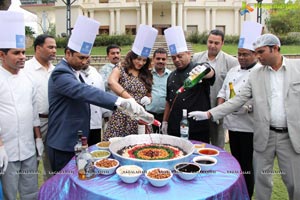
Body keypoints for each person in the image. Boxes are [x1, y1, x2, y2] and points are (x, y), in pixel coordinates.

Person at [188, 33, 300, 200]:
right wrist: (209, 114)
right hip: (264, 135)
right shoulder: (256, 74)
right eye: (256, 52)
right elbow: (237, 100)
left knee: (294, 183)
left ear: (275, 48)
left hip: (290, 137)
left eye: (261, 52)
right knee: (262, 181)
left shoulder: (297, 68)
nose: (258, 56)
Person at [46, 16, 145, 172]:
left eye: (87, 57)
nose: (85, 61)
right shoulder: (61, 73)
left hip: (76, 141)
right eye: (81, 57)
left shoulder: (75, 72)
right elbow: (85, 92)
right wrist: (120, 101)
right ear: (67, 53)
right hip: (63, 143)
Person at [216, 21, 263, 198]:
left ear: (255, 54)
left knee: (247, 165)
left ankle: (247, 194)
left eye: (245, 55)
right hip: (232, 124)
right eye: (239, 54)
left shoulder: (260, 72)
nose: (241, 58)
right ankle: (238, 192)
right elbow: (223, 91)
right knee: (236, 162)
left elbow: (262, 99)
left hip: (250, 127)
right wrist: (220, 107)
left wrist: (248, 107)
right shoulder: (233, 70)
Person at [0, 11, 43, 200]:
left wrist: (38, 139)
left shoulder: (28, 79)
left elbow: (33, 113)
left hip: (27, 149)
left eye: (24, 52)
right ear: (2, 55)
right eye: (16, 53)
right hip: (5, 151)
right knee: (9, 195)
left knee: (30, 192)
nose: (22, 56)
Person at [103, 24, 158, 140]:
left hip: (140, 116)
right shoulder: (121, 68)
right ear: (131, 57)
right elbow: (111, 82)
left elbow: (149, 94)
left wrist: (149, 99)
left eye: (144, 60)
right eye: (138, 59)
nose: (141, 63)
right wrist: (130, 100)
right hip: (123, 114)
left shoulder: (146, 73)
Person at [161, 26, 215, 142]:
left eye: (180, 56)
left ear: (188, 54)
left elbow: (210, 72)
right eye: (173, 57)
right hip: (175, 127)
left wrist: (205, 70)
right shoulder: (171, 76)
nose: (176, 60)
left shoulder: (197, 68)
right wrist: (165, 121)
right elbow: (168, 101)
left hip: (197, 128)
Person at [192, 29, 239, 148]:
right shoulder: (196, 58)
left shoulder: (231, 62)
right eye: (210, 42)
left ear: (222, 43)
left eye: (216, 43)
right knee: (199, 144)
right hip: (199, 109)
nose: (212, 46)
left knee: (218, 145)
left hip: (218, 109)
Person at [24, 34, 56, 180]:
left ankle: (49, 192)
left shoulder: (56, 70)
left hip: (54, 122)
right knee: (32, 163)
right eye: (50, 47)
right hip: (32, 123)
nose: (54, 50)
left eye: (55, 47)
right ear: (38, 48)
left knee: (51, 163)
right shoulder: (25, 69)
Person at [80, 59, 110, 145]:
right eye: (83, 57)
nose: (86, 59)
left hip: (96, 120)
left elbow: (102, 93)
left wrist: (105, 113)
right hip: (81, 122)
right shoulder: (72, 74)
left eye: (87, 57)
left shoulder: (94, 72)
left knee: (95, 149)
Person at [145, 48, 171, 133]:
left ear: (166, 60)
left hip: (165, 116)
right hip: (148, 114)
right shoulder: (146, 75)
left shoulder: (171, 75)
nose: (161, 61)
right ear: (153, 59)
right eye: (158, 58)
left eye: (163, 59)